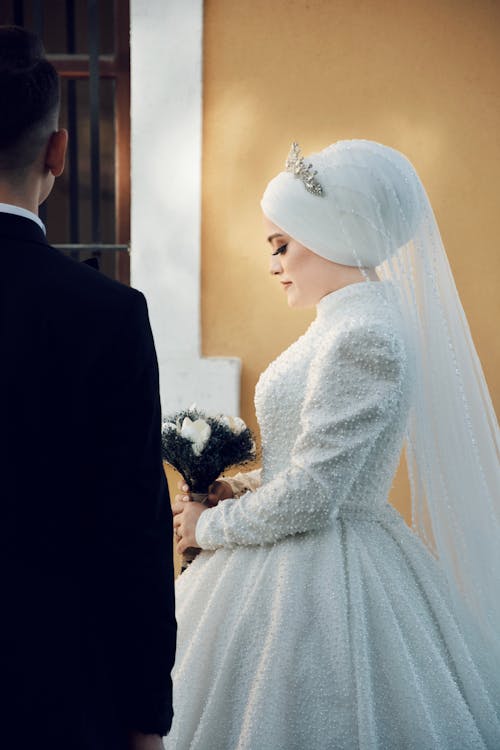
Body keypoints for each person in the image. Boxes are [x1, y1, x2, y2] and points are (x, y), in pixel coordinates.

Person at [169, 140, 500, 749]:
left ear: (330, 231)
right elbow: (307, 459)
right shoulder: (343, 323)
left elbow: (315, 496)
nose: (273, 264)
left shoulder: (363, 335)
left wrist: (205, 530)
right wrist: (233, 489)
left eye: (281, 245)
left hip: (326, 572)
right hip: (299, 553)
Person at [0, 27, 176, 750]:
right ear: (58, 152)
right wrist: (146, 717)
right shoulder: (107, 314)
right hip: (57, 698)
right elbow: (132, 532)